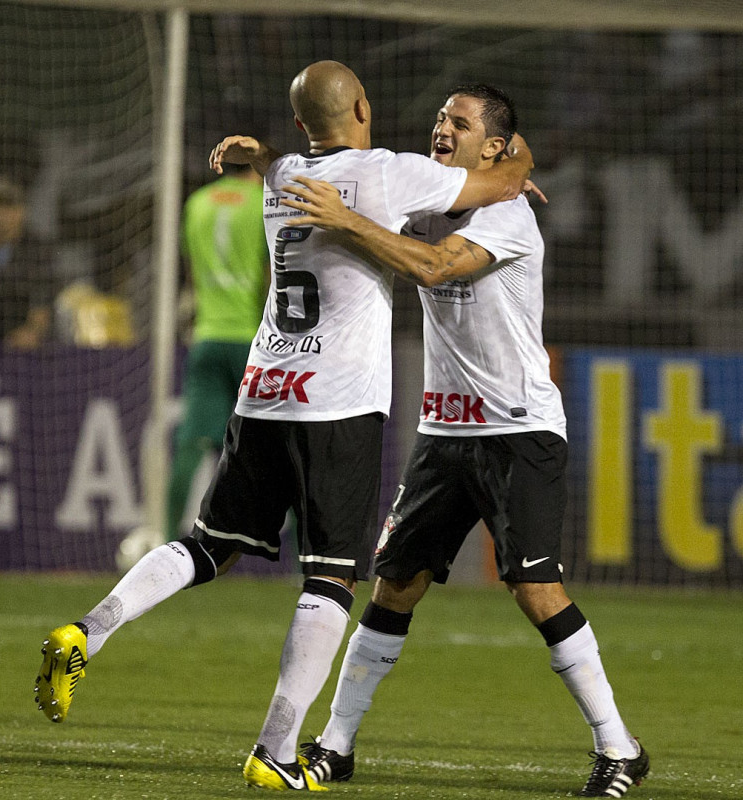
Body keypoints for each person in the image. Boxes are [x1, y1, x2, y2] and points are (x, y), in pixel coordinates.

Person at [34, 60, 535, 791]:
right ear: (363, 104)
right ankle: (274, 750)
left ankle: (88, 630)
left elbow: (290, 161)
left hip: (265, 387)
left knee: (208, 546)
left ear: (301, 126)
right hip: (337, 403)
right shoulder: (393, 174)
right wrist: (513, 154)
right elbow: (506, 181)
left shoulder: (284, 177)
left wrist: (266, 154)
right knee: (331, 575)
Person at [280, 84, 649, 798]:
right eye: (439, 118)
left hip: (518, 428)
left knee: (536, 590)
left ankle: (619, 746)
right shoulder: (429, 196)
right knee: (395, 585)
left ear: (492, 147)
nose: (441, 128)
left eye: (460, 122)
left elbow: (435, 266)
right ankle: (335, 744)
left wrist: (347, 219)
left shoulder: (508, 214)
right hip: (444, 432)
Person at [164, 164, 267, 543]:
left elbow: (192, 273)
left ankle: (164, 542)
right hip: (251, 341)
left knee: (192, 444)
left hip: (206, 336)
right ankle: (299, 560)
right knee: (277, 446)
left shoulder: (198, 203)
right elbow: (273, 273)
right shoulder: (262, 202)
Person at [0, 175, 57, 348]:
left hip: (25, 348)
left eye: (8, 207)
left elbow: (44, 297)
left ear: (22, 211)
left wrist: (32, 331)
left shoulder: (39, 250)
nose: (1, 215)